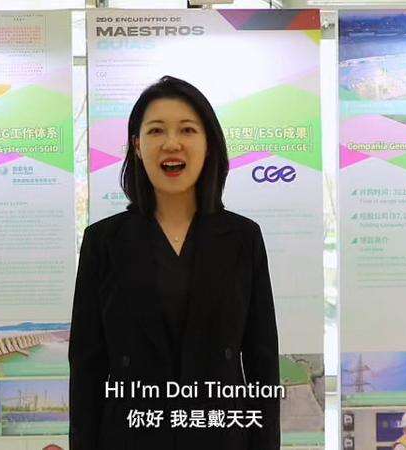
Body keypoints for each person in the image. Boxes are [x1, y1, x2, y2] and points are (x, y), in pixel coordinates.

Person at [68, 75, 280, 450]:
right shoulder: (103, 241)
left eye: (187, 129)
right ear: (137, 145)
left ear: (208, 143)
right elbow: (87, 368)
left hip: (219, 436)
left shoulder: (243, 238)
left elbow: (261, 362)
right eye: (155, 131)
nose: (171, 143)